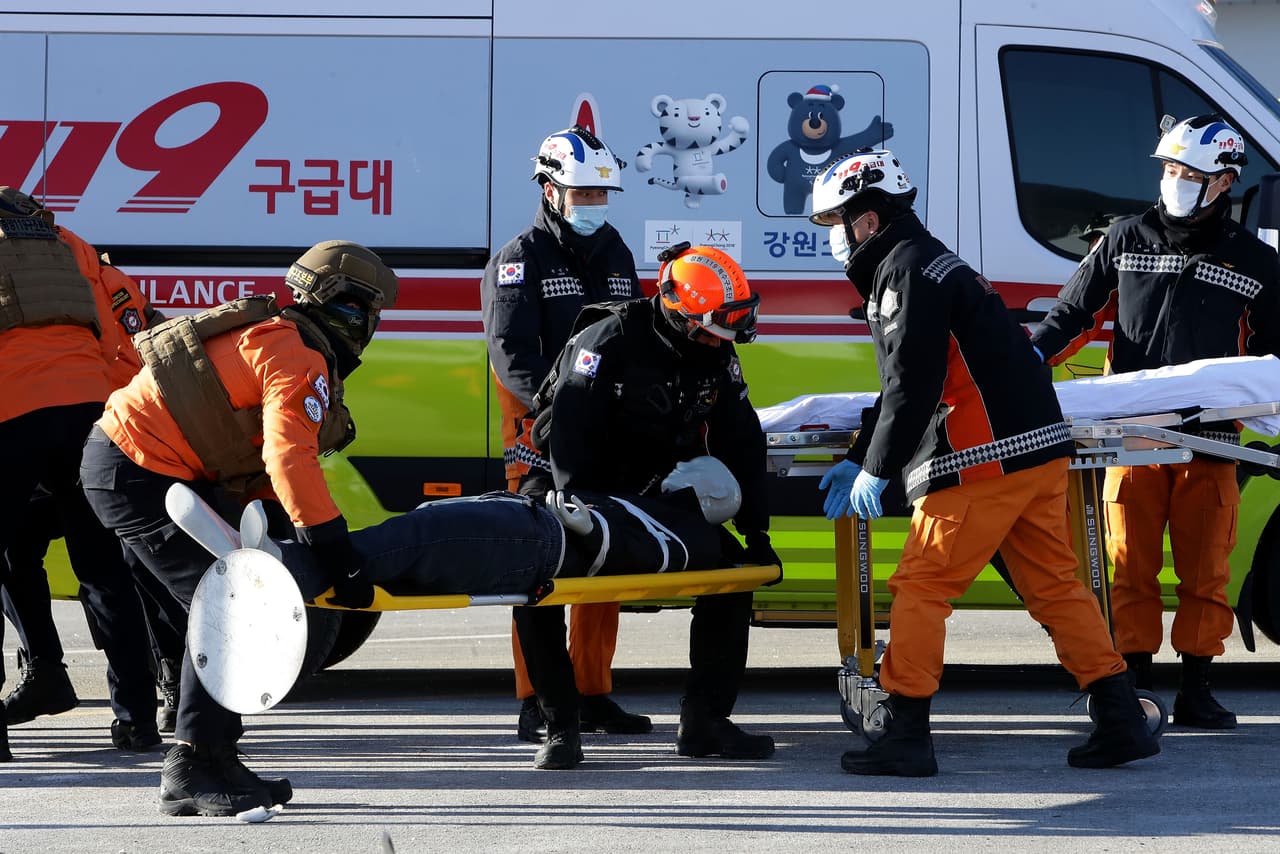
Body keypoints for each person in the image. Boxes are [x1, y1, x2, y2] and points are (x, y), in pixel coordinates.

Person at [811, 149, 1159, 776]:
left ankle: (906, 731)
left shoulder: (905, 271)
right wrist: (864, 452)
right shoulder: (932, 260)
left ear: (866, 219)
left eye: (835, 221)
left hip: (981, 460)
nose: (833, 236)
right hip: (1036, 451)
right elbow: (908, 381)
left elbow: (911, 385)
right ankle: (1120, 717)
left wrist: (876, 469)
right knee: (1055, 587)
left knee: (922, 587)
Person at [80, 240, 398, 817]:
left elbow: (248, 456)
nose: (369, 326)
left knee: (229, 594)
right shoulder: (300, 358)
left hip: (140, 465)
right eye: (368, 312)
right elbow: (288, 458)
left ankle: (218, 757)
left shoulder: (278, 336)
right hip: (138, 472)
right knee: (227, 604)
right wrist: (336, 551)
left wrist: (293, 535)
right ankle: (192, 766)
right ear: (349, 309)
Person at [1031, 115, 1280, 729]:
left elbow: (1273, 359)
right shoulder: (1124, 238)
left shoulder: (1257, 262)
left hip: (1210, 439)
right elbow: (1072, 315)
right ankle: (1133, 682)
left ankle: (1197, 687)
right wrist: (1028, 362)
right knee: (1128, 566)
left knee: (1206, 571)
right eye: (1169, 170)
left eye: (1190, 174)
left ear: (1223, 183)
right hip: (1131, 436)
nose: (1175, 183)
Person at [513, 242, 780, 769]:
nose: (717, 344)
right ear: (675, 310)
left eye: (723, 335)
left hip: (647, 490)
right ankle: (559, 723)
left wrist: (757, 530)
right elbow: (567, 430)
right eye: (707, 331)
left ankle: (705, 721)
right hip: (569, 483)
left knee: (735, 574)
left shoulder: (715, 349)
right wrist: (579, 514)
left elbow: (742, 437)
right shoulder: (607, 340)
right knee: (536, 579)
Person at [481, 125, 650, 743]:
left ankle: (591, 691)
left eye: (603, 196)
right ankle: (538, 698)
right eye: (583, 195)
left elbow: (630, 336)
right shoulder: (518, 258)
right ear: (550, 189)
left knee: (603, 559)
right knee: (542, 562)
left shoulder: (615, 252)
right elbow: (510, 355)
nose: (594, 207)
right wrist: (559, 411)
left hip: (606, 430)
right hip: (540, 430)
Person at [0, 187, 165, 760]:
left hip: (10, 411)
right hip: (88, 412)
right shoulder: (65, 241)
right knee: (103, 570)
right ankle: (137, 722)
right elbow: (126, 331)